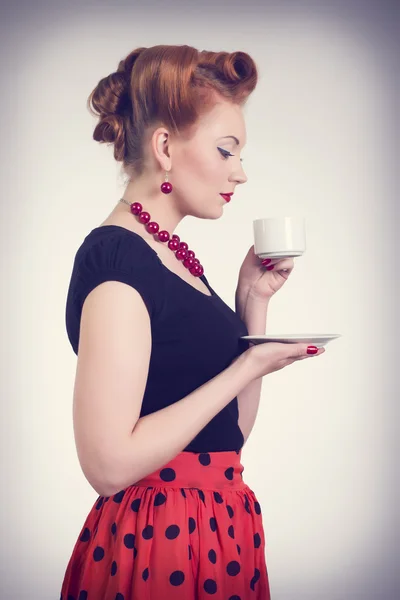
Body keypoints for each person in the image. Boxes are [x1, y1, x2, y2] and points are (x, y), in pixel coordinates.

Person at [60, 44, 325, 600]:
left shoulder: (173, 258)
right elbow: (107, 465)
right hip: (160, 543)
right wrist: (247, 364)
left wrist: (252, 302)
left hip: (218, 528)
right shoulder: (118, 263)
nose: (241, 172)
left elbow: (229, 437)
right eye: (227, 151)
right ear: (165, 147)